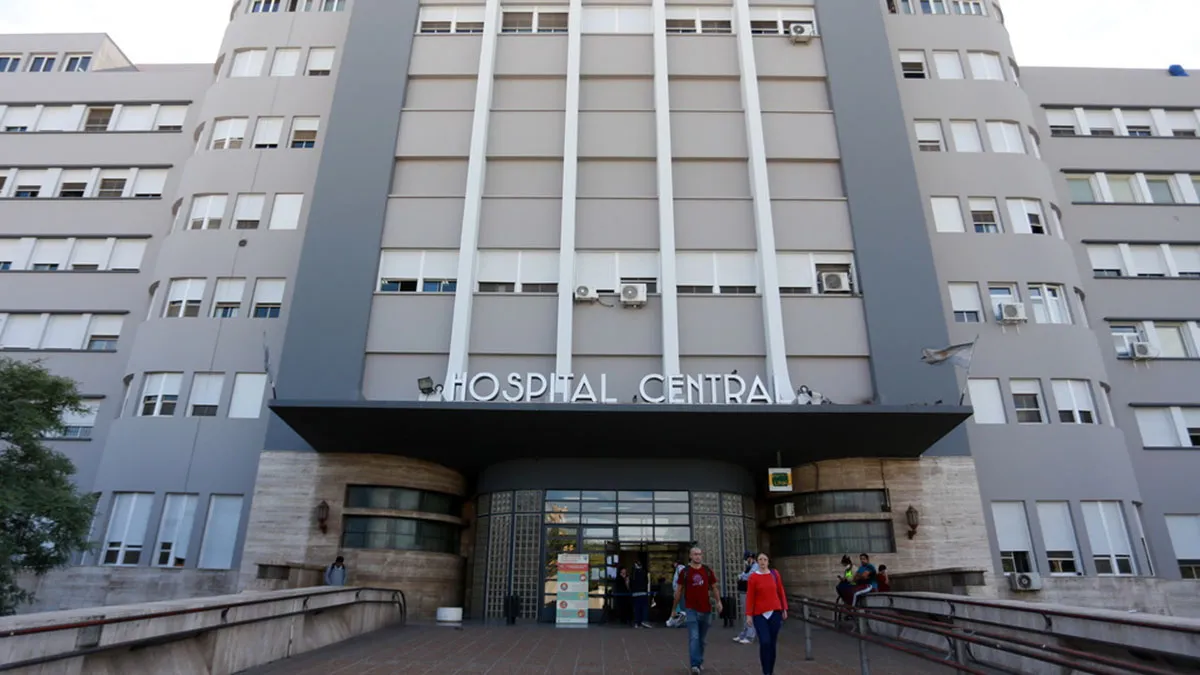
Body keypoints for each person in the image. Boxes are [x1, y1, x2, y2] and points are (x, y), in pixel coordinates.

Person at [674, 546, 723, 675]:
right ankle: (695, 665)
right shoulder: (685, 572)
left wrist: (718, 601)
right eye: (695, 554)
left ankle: (699, 660)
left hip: (706, 609)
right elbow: (679, 590)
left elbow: (714, 587)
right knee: (694, 637)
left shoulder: (707, 570)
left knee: (701, 639)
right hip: (691, 609)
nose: (698, 556)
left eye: (699, 554)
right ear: (690, 556)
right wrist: (674, 608)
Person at [745, 552, 788, 675]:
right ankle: (766, 671)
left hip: (775, 612)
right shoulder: (753, 577)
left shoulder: (775, 574)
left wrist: (784, 608)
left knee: (772, 643)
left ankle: (770, 670)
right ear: (757, 562)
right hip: (760, 614)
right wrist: (749, 614)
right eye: (760, 559)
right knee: (765, 642)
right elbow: (750, 597)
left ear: (768, 561)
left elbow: (780, 591)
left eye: (765, 559)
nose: (762, 562)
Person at [734, 551, 759, 644]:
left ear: (750, 558)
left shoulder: (755, 566)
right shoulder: (749, 567)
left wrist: (741, 576)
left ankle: (750, 636)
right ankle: (744, 634)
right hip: (744, 592)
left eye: (746, 559)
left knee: (749, 614)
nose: (745, 561)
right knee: (745, 614)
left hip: (749, 592)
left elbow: (749, 577)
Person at [631, 559, 652, 628]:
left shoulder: (633, 573)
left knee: (637, 609)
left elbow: (631, 583)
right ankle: (644, 620)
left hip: (635, 593)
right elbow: (647, 582)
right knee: (644, 608)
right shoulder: (644, 572)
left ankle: (637, 622)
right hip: (643, 592)